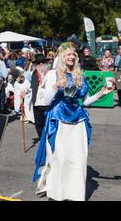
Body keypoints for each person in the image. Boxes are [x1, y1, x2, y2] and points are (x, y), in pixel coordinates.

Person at [33, 43, 113, 201]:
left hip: (78, 121)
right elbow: (45, 100)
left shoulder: (80, 75)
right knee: (60, 158)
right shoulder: (52, 74)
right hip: (59, 121)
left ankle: (75, 195)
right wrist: (56, 86)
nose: (71, 57)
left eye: (74, 55)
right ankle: (58, 194)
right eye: (68, 54)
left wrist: (101, 93)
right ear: (62, 57)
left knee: (78, 159)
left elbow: (85, 101)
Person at [30, 53, 50, 138]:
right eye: (37, 64)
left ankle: (48, 137)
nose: (39, 65)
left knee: (47, 122)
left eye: (42, 63)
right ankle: (42, 138)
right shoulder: (34, 74)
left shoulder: (50, 74)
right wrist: (25, 91)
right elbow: (31, 86)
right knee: (38, 123)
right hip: (37, 102)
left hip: (47, 102)